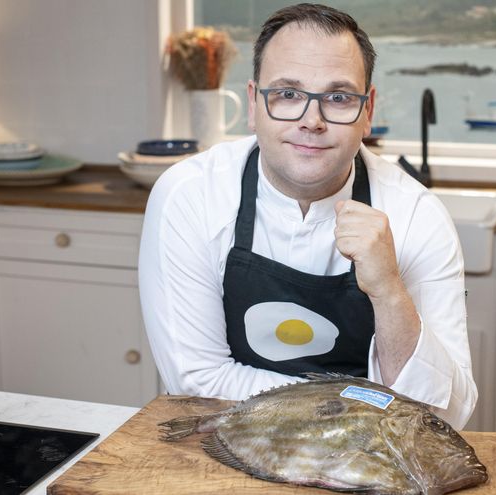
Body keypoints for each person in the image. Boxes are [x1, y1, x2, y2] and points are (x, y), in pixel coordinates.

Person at [139, 3, 476, 429]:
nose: (311, 121)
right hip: (228, 451)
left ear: (367, 110)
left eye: (338, 97)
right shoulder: (189, 196)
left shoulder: (417, 216)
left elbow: (447, 413)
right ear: (252, 103)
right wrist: (357, 408)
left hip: (366, 465)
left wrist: (390, 292)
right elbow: (195, 385)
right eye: (288, 94)